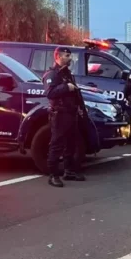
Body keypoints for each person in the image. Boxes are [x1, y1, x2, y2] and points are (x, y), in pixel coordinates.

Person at [43, 47, 86, 187]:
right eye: (67, 55)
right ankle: (53, 175)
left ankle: (69, 171)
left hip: (71, 113)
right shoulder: (52, 74)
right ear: (58, 57)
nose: (69, 58)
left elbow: (75, 93)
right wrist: (66, 87)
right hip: (59, 114)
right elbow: (50, 93)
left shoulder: (67, 73)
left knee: (71, 144)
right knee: (56, 145)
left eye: (69, 55)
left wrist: (80, 108)